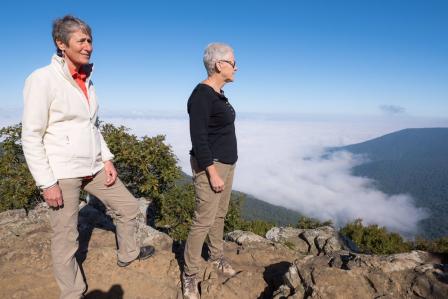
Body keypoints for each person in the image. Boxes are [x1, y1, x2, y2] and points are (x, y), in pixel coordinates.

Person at [21, 15, 155, 299]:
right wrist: (47, 183)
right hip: (62, 171)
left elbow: (92, 127)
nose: (88, 46)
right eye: (81, 40)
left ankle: (128, 253)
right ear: (61, 43)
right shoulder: (41, 79)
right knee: (66, 239)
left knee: (129, 207)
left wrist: (106, 158)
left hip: (92, 165)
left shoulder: (87, 80)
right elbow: (31, 136)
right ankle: (72, 293)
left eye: (90, 40)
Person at [182, 43, 238, 299]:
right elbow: (199, 138)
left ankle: (216, 257)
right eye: (233, 62)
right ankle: (190, 274)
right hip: (211, 167)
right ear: (219, 65)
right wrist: (212, 173)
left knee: (219, 215)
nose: (236, 67)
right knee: (203, 220)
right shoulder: (202, 95)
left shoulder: (218, 94)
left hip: (226, 164)